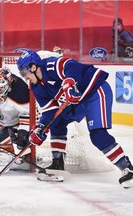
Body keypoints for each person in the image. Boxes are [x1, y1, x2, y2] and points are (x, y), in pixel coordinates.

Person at [16, 49, 133, 188]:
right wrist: (41, 127)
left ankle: (127, 167)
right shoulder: (35, 87)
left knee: (98, 135)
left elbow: (71, 65)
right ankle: (57, 162)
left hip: (94, 91)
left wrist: (69, 82)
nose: (25, 77)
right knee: (56, 122)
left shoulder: (49, 65)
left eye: (25, 72)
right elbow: (50, 111)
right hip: (77, 102)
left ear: (33, 67)